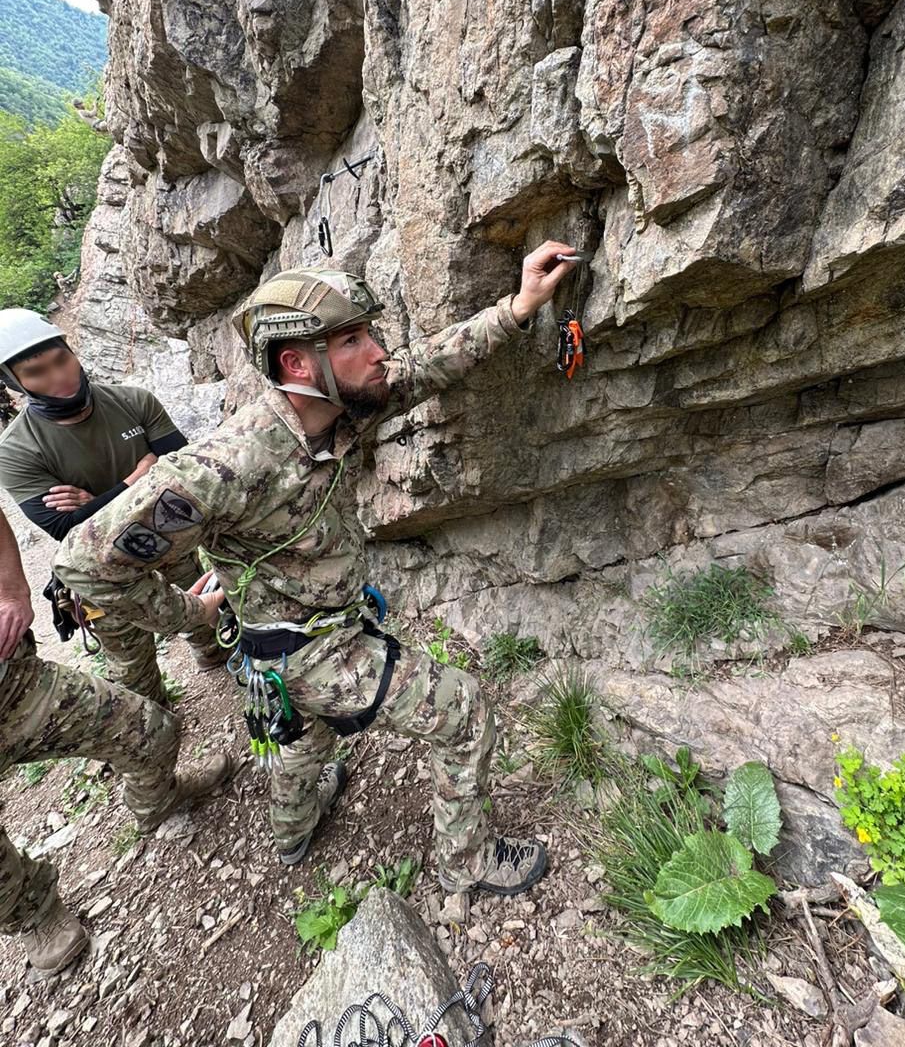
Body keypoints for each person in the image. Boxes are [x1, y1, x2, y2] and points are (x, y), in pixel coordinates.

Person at [54, 242, 579, 894]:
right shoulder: (226, 466)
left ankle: (291, 834)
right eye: (354, 338)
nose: (378, 350)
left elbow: (427, 367)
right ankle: (465, 861)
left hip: (289, 645)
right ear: (297, 362)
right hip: (311, 653)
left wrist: (521, 305)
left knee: (303, 749)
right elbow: (84, 562)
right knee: (463, 707)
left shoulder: (343, 406)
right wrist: (188, 615)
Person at [0, 506, 229, 976]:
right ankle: (35, 917)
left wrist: (11, 589)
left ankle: (156, 802)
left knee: (147, 729)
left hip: (11, 685)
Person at [0, 310, 226, 700]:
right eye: (37, 372)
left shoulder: (133, 401)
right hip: (101, 572)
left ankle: (215, 663)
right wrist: (137, 478)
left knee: (205, 624)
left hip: (168, 543)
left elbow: (185, 478)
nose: (59, 377)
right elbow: (63, 528)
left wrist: (95, 504)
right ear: (15, 382)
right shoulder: (17, 450)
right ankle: (156, 729)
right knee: (132, 670)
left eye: (61, 360)